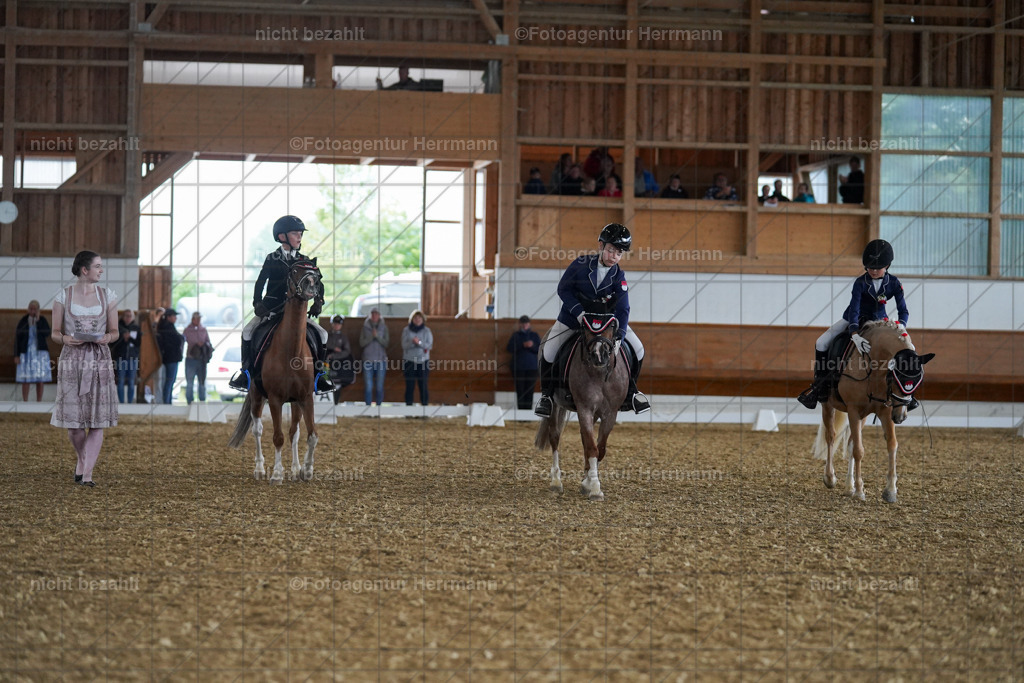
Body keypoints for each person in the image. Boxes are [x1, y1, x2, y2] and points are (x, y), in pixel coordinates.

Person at [534, 223, 651, 417]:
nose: (614, 256)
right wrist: (579, 312)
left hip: (606, 324)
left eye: (619, 253)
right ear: (601, 246)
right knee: (549, 350)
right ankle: (546, 396)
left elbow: (623, 308)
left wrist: (620, 335)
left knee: (639, 349)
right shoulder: (580, 265)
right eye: (611, 250)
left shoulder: (618, 276)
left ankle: (631, 393)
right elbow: (563, 289)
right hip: (573, 319)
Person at [798, 239, 916, 410]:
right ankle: (819, 388)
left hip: (880, 321)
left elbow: (903, 311)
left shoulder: (894, 283)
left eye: (877, 268)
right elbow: (855, 309)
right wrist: (854, 334)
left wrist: (901, 326)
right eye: (870, 267)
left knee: (910, 349)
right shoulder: (860, 282)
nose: (873, 271)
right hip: (854, 319)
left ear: (887, 266)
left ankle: (908, 394)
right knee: (821, 342)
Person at [229, 215, 335, 394]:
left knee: (323, 334)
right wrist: (257, 303)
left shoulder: (304, 260)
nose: (299, 237)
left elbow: (319, 284)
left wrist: (319, 301)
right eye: (295, 233)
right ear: (281, 236)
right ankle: (245, 374)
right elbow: (260, 282)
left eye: (300, 233)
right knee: (247, 332)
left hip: (296, 313)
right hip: (271, 309)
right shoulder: (272, 258)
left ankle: (319, 375)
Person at [50, 250, 118, 487]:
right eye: (98, 266)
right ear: (84, 270)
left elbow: (115, 331)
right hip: (72, 360)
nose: (101, 270)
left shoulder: (108, 295)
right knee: (74, 424)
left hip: (99, 359)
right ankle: (82, 460)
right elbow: (55, 332)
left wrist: (107, 337)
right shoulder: (63, 296)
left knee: (97, 421)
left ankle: (86, 473)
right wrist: (64, 339)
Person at [14, 300, 52, 402]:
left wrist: (38, 321)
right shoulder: (23, 320)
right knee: (25, 378)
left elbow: (47, 333)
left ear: (38, 310)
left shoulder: (42, 320)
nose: (33, 311)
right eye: (31, 309)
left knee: (40, 379)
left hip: (40, 353)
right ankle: (25, 401)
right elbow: (17, 338)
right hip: (26, 353)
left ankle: (39, 401)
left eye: (35, 309)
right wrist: (16, 355)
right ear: (28, 309)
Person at [507, 315, 541, 410]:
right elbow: (509, 348)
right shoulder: (516, 335)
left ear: (529, 324)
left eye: (526, 323)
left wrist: (532, 346)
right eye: (523, 323)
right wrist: (522, 345)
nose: (525, 325)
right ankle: (520, 412)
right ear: (520, 324)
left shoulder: (534, 335)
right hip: (518, 368)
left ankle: (527, 412)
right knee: (520, 390)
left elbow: (539, 349)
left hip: (532, 368)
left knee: (529, 390)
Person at [401, 309, 433, 406]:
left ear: (422, 319)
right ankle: (409, 408)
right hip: (409, 361)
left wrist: (419, 343)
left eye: (419, 318)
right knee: (409, 386)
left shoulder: (427, 331)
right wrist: (412, 342)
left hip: (423, 362)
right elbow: (404, 345)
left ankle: (424, 408)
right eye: (415, 318)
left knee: (423, 386)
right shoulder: (406, 330)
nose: (417, 319)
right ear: (412, 319)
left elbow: (429, 345)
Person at [110, 309, 141, 404]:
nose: (128, 318)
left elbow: (138, 343)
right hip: (121, 358)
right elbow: (112, 344)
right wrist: (122, 338)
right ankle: (122, 402)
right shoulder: (117, 328)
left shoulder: (136, 328)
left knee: (131, 382)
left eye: (130, 316)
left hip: (133, 358)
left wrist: (129, 338)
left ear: (133, 317)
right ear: (123, 317)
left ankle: (130, 403)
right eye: (126, 316)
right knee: (120, 382)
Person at [360, 307, 389, 405]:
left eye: (376, 314)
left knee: (379, 386)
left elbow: (386, 343)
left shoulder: (384, 328)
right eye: (373, 314)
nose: (374, 316)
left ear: (379, 316)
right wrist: (371, 336)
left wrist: (377, 337)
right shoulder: (365, 327)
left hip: (381, 361)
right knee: (368, 386)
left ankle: (379, 407)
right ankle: (368, 407)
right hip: (367, 360)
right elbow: (362, 343)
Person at [183, 311, 211, 404]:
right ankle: (189, 401)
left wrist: (204, 345)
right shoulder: (187, 330)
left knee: (202, 381)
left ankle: (202, 400)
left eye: (199, 318)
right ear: (193, 319)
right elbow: (183, 342)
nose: (198, 320)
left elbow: (208, 342)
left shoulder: (203, 330)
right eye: (197, 318)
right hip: (190, 359)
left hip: (201, 360)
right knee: (189, 382)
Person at [157, 308, 184, 404]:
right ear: (168, 317)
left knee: (169, 381)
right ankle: (167, 402)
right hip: (171, 358)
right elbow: (174, 341)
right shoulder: (168, 328)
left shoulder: (165, 327)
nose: (175, 318)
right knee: (170, 381)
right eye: (174, 316)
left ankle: (167, 400)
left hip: (169, 357)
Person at [326, 314, 355, 404]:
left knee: (337, 385)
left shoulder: (343, 337)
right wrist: (334, 348)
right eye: (335, 323)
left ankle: (336, 403)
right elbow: (324, 345)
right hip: (327, 364)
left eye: (338, 324)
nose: (336, 326)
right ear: (332, 324)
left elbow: (347, 351)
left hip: (340, 366)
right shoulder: (327, 335)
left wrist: (334, 355)